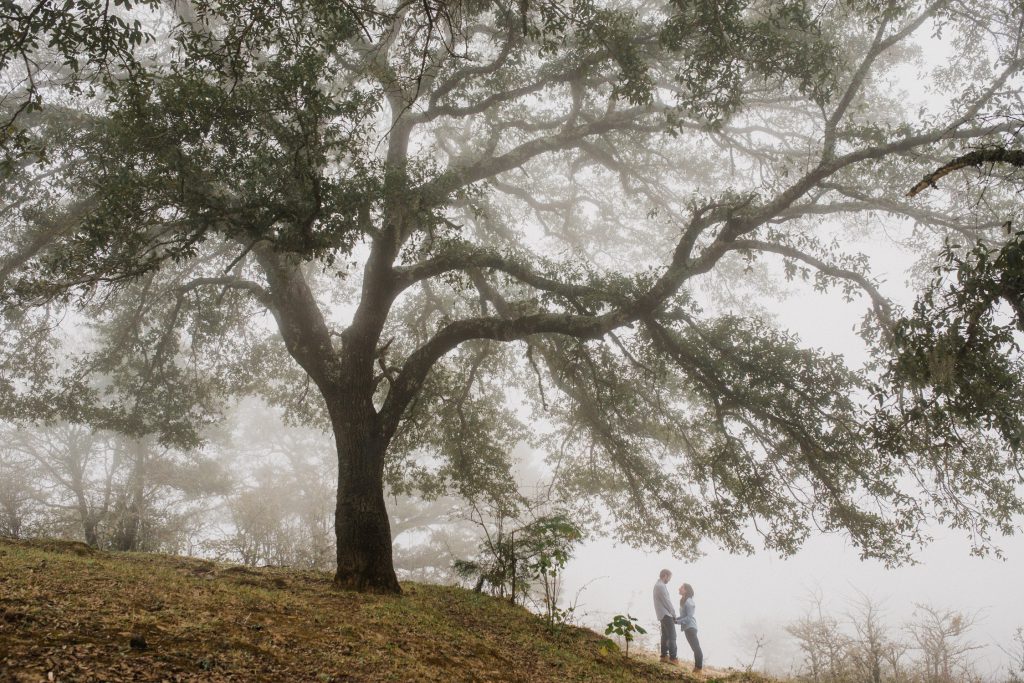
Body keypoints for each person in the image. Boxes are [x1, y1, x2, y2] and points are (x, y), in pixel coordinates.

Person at [677, 582, 703, 673]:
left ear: (686, 590)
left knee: (696, 647)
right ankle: (698, 668)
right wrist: (676, 619)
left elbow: (689, 618)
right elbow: (684, 616)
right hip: (687, 628)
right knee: (694, 647)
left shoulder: (689, 601)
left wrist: (677, 621)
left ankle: (698, 668)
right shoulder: (683, 600)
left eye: (681, 587)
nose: (679, 588)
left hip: (691, 627)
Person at [653, 568, 677, 663]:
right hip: (666, 614)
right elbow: (667, 602)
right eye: (669, 577)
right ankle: (673, 658)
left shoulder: (658, 585)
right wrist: (674, 614)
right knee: (672, 636)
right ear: (665, 576)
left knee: (665, 636)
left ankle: (664, 656)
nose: (669, 580)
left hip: (662, 614)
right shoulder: (661, 586)